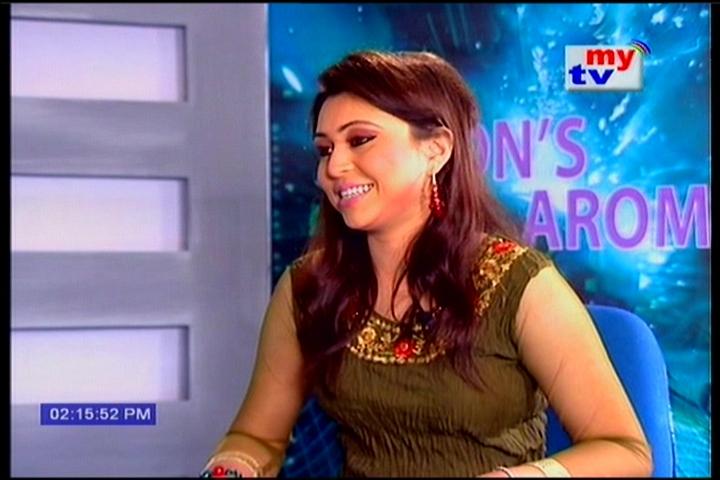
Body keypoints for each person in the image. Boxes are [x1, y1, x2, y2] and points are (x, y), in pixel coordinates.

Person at [201, 50, 653, 478]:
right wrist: (231, 467)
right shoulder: (309, 285)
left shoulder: (519, 281)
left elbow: (624, 450)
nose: (333, 167)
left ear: (436, 149)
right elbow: (256, 439)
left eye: (360, 140)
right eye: (324, 149)